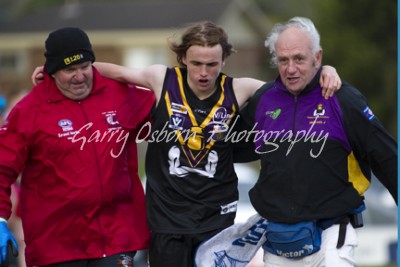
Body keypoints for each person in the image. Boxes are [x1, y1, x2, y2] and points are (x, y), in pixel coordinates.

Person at [32, 21, 342, 267]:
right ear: (182, 59)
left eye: (212, 64)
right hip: (167, 219)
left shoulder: (240, 88)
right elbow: (112, 71)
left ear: (224, 59)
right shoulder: (161, 79)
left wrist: (325, 69)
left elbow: (295, 86)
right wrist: (54, 72)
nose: (204, 73)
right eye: (196, 63)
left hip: (216, 220)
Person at [231, 17, 397, 267]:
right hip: (279, 240)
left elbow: (386, 156)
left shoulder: (343, 99)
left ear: (317, 58)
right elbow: (230, 149)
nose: (290, 69)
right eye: (283, 60)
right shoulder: (264, 99)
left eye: (299, 59)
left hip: (332, 234)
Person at [0, 27, 154, 267]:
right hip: (56, 248)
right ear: (51, 72)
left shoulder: (121, 95)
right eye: (69, 70)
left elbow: (173, 102)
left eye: (85, 67)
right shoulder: (30, 110)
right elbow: (2, 166)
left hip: (116, 241)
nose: (80, 76)